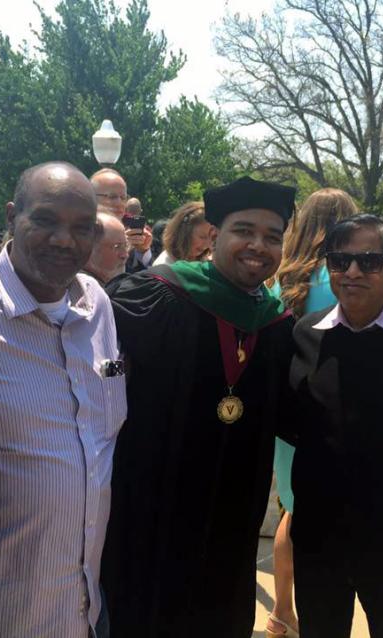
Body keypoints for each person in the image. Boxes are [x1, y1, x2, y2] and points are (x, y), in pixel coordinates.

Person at [102, 175, 296, 638]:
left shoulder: (276, 324)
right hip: (152, 503)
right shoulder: (156, 295)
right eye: (244, 231)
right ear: (215, 235)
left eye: (272, 237)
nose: (258, 245)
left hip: (234, 511)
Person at [0, 161, 125, 638]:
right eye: (45, 221)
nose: (65, 240)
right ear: (11, 216)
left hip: (86, 611)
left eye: (82, 228)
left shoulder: (96, 305)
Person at [285, 215, 383, 638]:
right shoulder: (305, 334)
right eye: (340, 261)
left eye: (369, 261)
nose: (352, 272)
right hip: (320, 539)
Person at [265, 186, 358, 638]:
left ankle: (283, 608)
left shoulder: (281, 276)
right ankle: (296, 610)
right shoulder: (339, 276)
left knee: (292, 509)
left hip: (288, 410)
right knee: (312, 517)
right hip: (331, 411)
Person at [90, 169, 152, 273]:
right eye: (112, 196)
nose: (120, 203)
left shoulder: (128, 231)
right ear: (91, 197)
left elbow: (140, 281)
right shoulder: (81, 233)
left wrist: (142, 252)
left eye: (123, 197)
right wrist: (120, 247)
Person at [83, 212, 129, 285]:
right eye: (117, 246)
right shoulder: (83, 291)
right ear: (90, 248)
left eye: (126, 245)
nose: (125, 255)